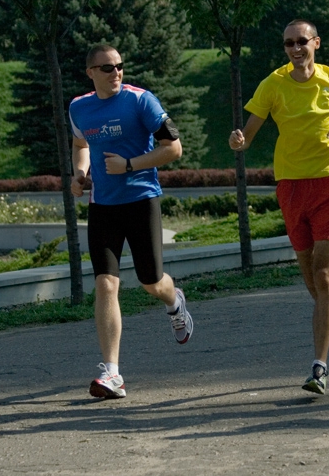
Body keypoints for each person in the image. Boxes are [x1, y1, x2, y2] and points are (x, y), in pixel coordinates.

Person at [228, 19, 329, 395]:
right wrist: (238, 141)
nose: (295, 49)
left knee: (324, 274)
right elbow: (247, 135)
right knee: (311, 278)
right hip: (291, 185)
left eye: (302, 42)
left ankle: (319, 367)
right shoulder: (273, 84)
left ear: (316, 43)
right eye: (289, 44)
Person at [69, 44, 194, 399]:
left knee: (151, 282)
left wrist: (128, 165)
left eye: (120, 66)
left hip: (141, 199)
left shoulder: (141, 101)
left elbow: (174, 148)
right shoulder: (79, 106)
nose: (116, 73)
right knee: (107, 285)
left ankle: (175, 302)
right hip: (103, 205)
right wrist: (80, 174)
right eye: (107, 68)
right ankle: (113, 375)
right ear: (90, 72)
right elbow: (80, 143)